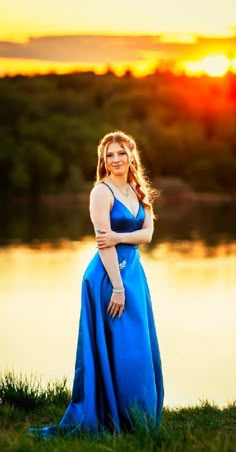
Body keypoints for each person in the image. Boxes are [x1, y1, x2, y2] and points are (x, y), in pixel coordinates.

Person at [29, 130, 164, 438]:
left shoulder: (136, 188)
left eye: (120, 153)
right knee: (118, 348)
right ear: (104, 162)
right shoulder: (101, 193)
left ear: (131, 155)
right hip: (108, 276)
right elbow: (104, 245)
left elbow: (147, 235)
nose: (116, 159)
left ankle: (137, 419)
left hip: (133, 275)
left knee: (137, 347)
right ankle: (112, 418)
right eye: (109, 155)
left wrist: (120, 237)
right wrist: (117, 287)